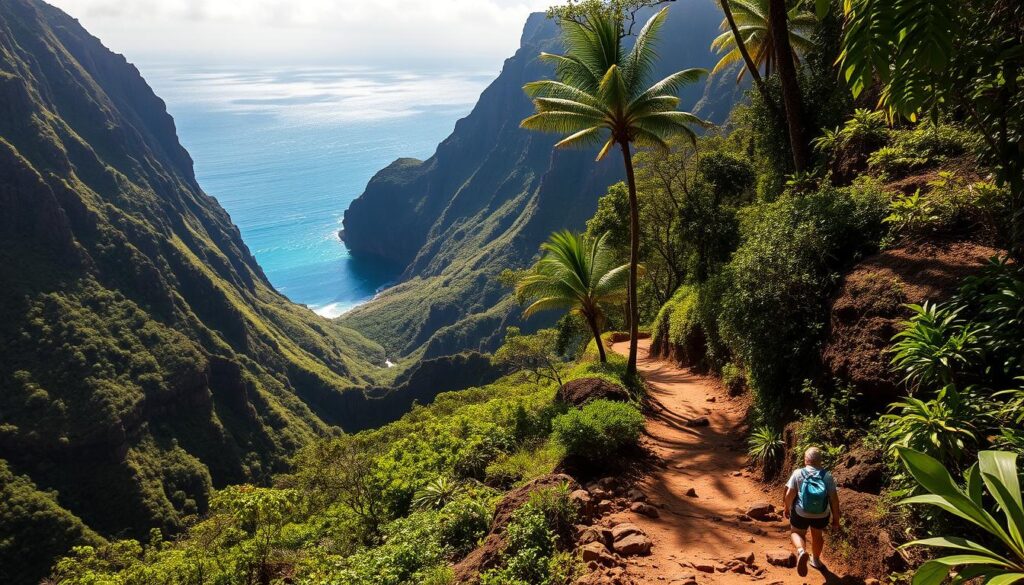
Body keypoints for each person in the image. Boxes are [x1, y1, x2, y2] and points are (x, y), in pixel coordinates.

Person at [782, 446, 841, 577]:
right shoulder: (827, 476)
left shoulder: (798, 473)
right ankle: (815, 560)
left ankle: (802, 551)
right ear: (820, 461)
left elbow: (790, 494)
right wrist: (836, 519)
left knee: (796, 533)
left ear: (806, 460)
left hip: (801, 512)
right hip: (821, 514)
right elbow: (834, 500)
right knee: (817, 535)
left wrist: (786, 508)